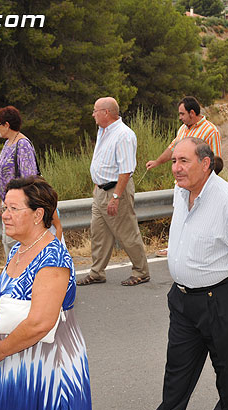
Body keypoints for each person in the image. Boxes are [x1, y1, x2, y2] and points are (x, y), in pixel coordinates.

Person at [150, 137, 228, 410]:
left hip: (221, 302)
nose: (176, 168)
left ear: (205, 164)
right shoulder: (181, 192)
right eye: (174, 161)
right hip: (182, 301)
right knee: (176, 376)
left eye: (183, 161)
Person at [0, 176, 92, 410]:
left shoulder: (53, 258)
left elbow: (40, 322)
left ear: (37, 214)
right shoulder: (17, 250)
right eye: (4, 208)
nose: (5, 215)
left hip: (48, 364)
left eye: (13, 209)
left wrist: (0, 349)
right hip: (13, 357)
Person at [77, 96, 150, 287]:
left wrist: (116, 196)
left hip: (116, 191)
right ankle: (96, 272)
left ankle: (141, 272)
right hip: (101, 191)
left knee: (127, 233)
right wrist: (97, 185)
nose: (93, 114)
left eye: (95, 111)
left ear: (106, 112)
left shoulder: (124, 135)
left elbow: (126, 169)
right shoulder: (103, 131)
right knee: (99, 233)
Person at [146, 96, 221, 257]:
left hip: (200, 186)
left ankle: (197, 249)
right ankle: (174, 247)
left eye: (182, 114)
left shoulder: (210, 131)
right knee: (180, 215)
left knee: (199, 217)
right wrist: (157, 162)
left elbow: (216, 160)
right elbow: (172, 148)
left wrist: (207, 185)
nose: (179, 117)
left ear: (192, 113)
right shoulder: (182, 129)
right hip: (180, 184)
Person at [0, 106, 63, 257]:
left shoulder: (22, 144)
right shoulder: (8, 143)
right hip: (10, 205)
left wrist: (19, 204)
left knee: (21, 250)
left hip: (21, 206)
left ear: (7, 125)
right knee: (11, 248)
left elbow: (29, 179)